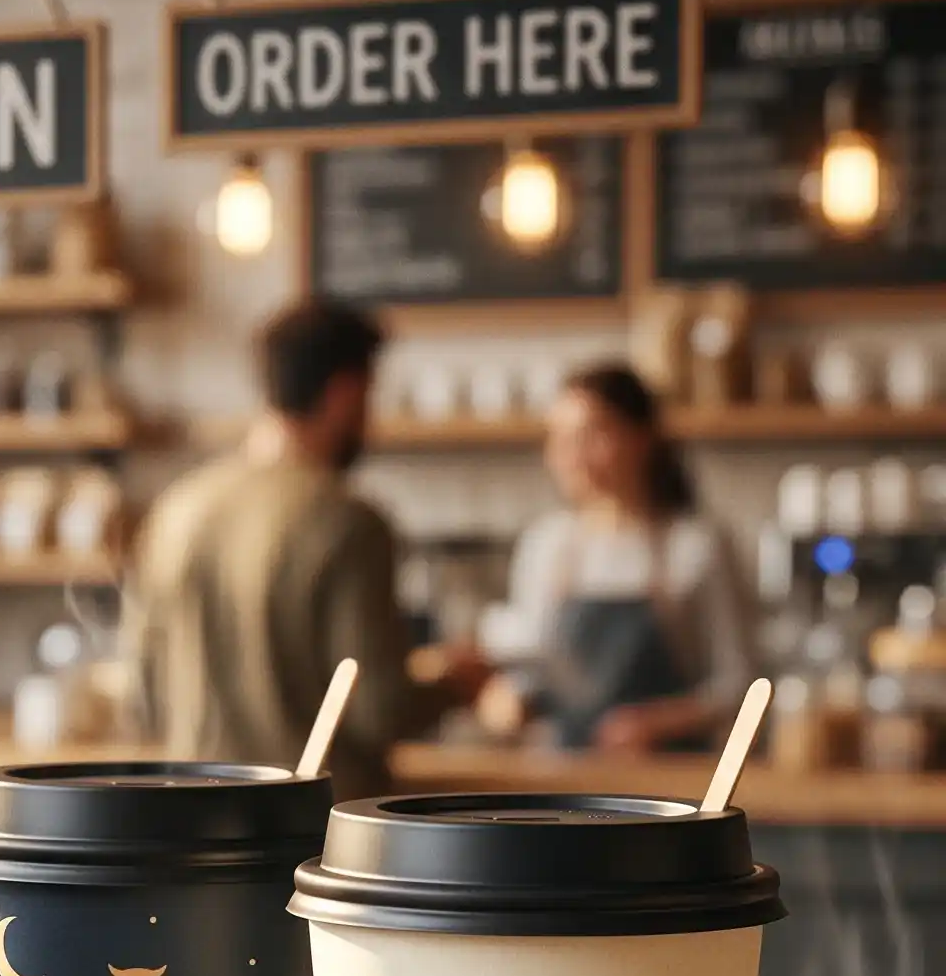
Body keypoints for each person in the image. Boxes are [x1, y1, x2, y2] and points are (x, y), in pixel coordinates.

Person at [126, 299, 488, 800]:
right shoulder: (347, 520)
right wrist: (455, 684)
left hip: (196, 814)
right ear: (344, 392)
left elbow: (142, 693)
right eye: (369, 397)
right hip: (315, 823)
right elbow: (379, 709)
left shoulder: (178, 509)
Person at [493, 363, 754, 750]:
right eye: (560, 440)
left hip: (672, 775)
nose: (572, 457)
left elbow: (740, 686)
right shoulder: (546, 544)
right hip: (564, 771)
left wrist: (655, 723)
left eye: (591, 436)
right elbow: (533, 668)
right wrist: (509, 697)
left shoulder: (697, 545)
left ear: (643, 438)